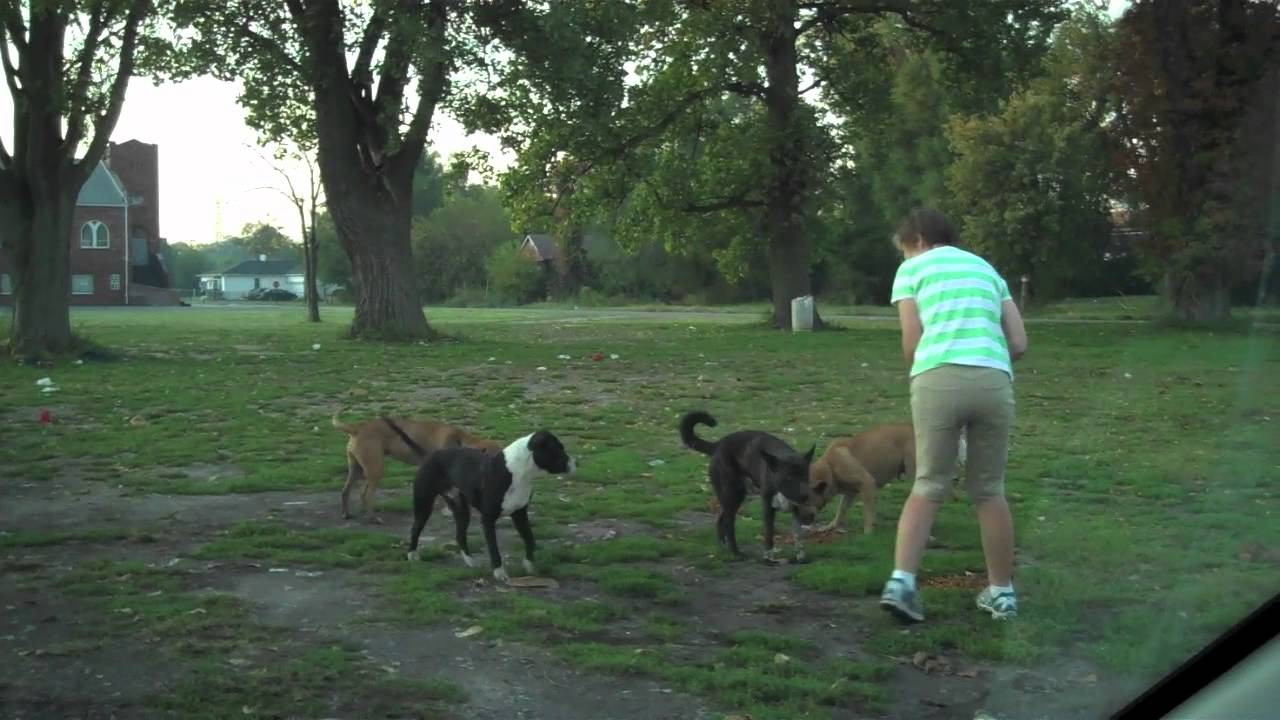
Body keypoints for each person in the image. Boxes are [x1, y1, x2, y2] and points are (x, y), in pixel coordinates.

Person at [878, 208, 1028, 623]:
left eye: (906, 250)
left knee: (927, 483)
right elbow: (1018, 341)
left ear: (919, 240)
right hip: (993, 382)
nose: (906, 258)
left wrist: (924, 368)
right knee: (989, 490)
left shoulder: (913, 271)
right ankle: (1002, 594)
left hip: (937, 379)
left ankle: (903, 583)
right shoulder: (986, 270)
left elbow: (912, 341)